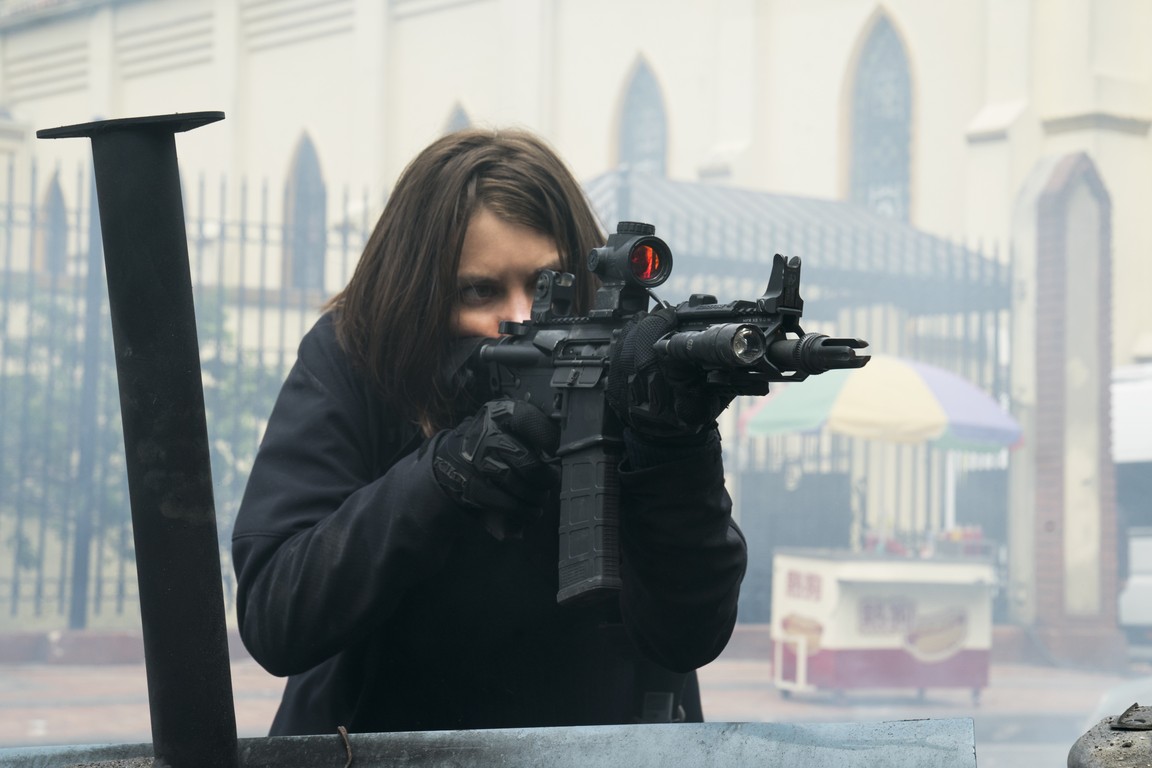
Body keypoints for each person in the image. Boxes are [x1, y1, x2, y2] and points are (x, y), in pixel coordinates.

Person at [231, 128, 747, 736]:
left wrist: (675, 453)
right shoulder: (357, 359)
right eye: (480, 291)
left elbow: (689, 633)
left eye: (548, 284)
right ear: (418, 296)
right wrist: (441, 477)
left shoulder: (629, 369)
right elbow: (276, 615)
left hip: (599, 745)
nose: (522, 316)